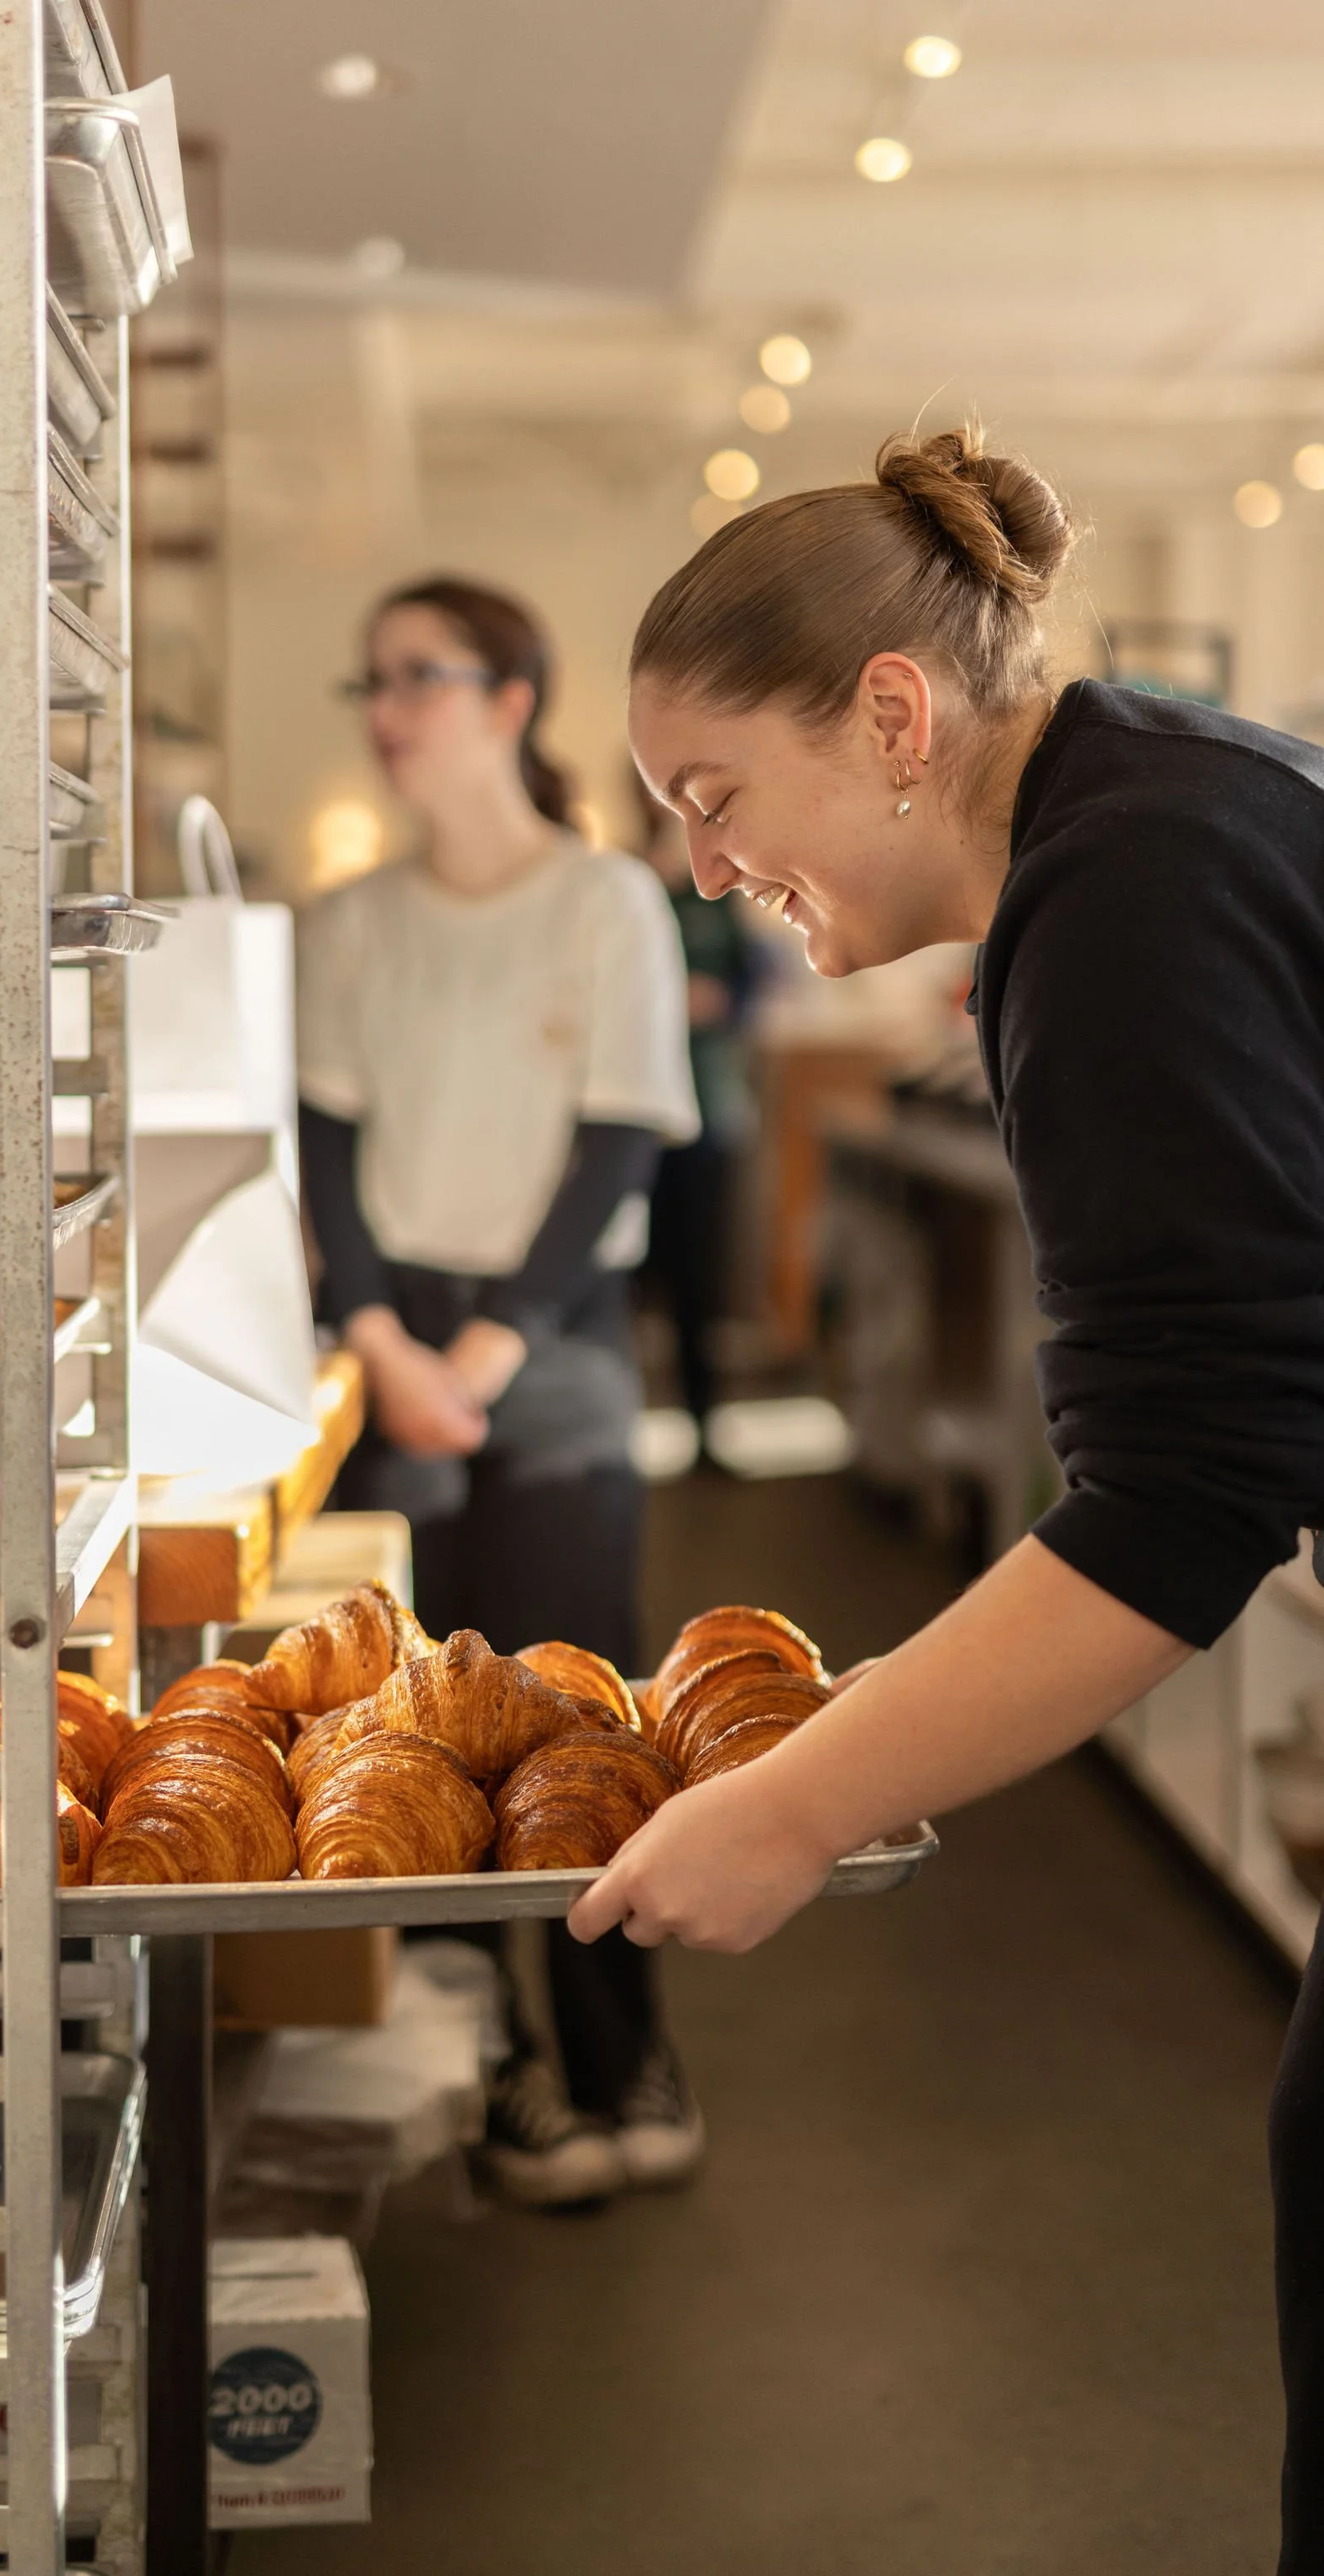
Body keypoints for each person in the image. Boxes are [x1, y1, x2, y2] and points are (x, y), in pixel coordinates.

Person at [566, 420, 1324, 2568]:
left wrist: (789, 1799)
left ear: (890, 717)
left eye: (713, 799)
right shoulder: (1149, 803)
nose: (702, 869)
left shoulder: (1125, 890)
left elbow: (1185, 1494)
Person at [296, 574, 701, 2205]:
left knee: (572, 1704)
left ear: (512, 698)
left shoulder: (605, 901)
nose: (388, 708)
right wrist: (385, 1342)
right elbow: (322, 1161)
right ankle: (497, 2060)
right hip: (388, 1339)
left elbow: (617, 1137)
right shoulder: (351, 924)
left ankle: (624, 2044)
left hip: (554, 1338)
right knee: (424, 1721)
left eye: (422, 675)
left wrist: (494, 1347)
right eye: (375, 678)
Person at [633, 774, 770, 1437]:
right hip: (637, 1116)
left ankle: (703, 1421)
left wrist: (723, 1002)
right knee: (635, 1273)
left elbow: (756, 977)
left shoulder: (714, 892)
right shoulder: (629, 887)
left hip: (711, 1104)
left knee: (701, 1276)